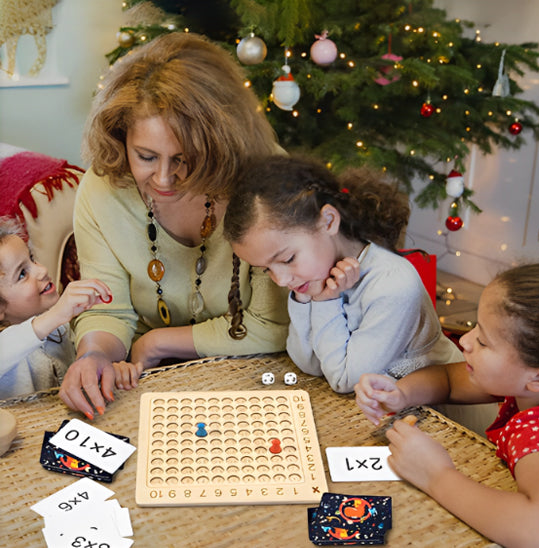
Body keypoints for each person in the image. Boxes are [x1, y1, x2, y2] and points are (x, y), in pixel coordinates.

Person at [59, 32, 289, 419]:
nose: (164, 180)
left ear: (221, 146)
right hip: (140, 379)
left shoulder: (268, 180)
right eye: (146, 156)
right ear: (121, 139)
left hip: (252, 371)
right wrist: (95, 353)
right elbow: (108, 311)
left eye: (186, 159)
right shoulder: (102, 190)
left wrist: (157, 342)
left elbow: (272, 326)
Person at [224, 155, 462, 393]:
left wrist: (326, 302)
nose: (282, 280)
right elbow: (309, 364)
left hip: (440, 417)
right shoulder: (317, 278)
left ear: (328, 221)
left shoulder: (393, 284)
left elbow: (345, 380)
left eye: (288, 259)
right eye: (267, 269)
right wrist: (310, 299)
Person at [355, 263, 539, 546]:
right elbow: (448, 380)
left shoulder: (537, 431)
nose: (466, 341)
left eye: (483, 341)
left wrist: (436, 475)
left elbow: (538, 529)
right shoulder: (525, 385)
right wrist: (401, 394)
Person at [0, 217, 111, 399]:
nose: (42, 270)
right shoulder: (8, 347)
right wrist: (56, 315)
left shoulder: (60, 327)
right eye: (22, 274)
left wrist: (109, 367)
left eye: (32, 259)